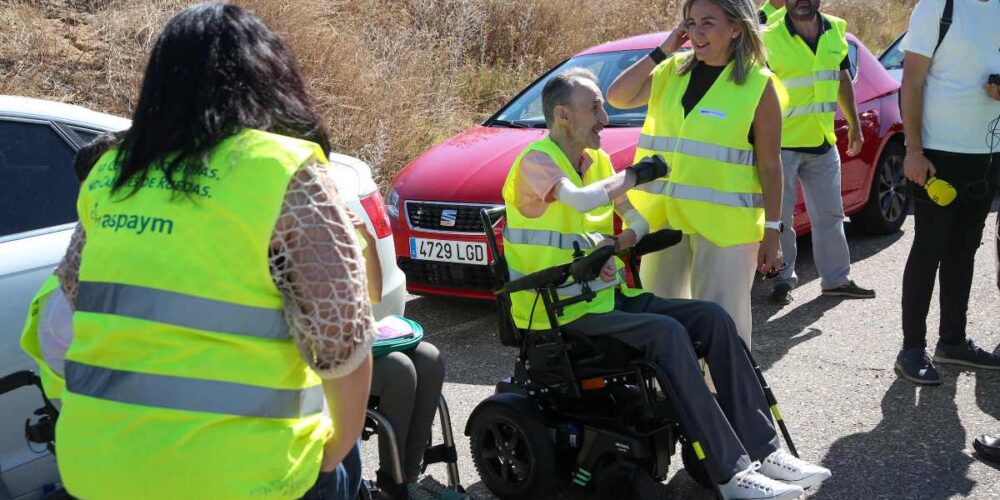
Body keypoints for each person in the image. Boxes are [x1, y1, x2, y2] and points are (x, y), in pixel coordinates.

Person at [52, 4, 374, 499]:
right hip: (244, 477)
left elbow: (78, 291)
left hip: (98, 467)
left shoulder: (113, 171)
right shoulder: (280, 169)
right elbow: (342, 337)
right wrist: (336, 449)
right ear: (267, 75)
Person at [504, 67, 830, 499]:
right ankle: (731, 476)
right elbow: (582, 200)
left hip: (603, 300)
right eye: (595, 107)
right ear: (563, 115)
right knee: (668, 333)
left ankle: (764, 448)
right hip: (556, 312)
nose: (605, 117)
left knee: (712, 318)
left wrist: (619, 242)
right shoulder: (537, 161)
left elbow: (634, 218)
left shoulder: (597, 161)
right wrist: (638, 175)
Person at [607, 0, 785, 347]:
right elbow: (617, 96)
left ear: (736, 28)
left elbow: (770, 165)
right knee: (660, 321)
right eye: (690, 23)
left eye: (707, 23)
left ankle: (725, 396)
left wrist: (773, 231)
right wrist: (665, 47)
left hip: (726, 229)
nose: (696, 33)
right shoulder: (672, 70)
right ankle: (667, 395)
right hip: (665, 221)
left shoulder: (758, 85)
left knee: (722, 324)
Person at [894, 0, 1000, 385]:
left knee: (965, 249)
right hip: (937, 155)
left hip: (988, 154)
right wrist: (914, 150)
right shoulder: (938, 6)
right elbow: (912, 80)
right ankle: (911, 349)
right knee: (929, 248)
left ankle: (952, 341)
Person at [760, 0, 875, 305]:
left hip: (822, 142)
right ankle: (782, 280)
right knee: (780, 218)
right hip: (780, 144)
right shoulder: (767, 35)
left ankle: (836, 280)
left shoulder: (835, 29)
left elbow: (840, 79)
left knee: (830, 215)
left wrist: (854, 123)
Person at [350, 210, 458, 500]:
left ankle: (412, 476)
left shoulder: (336, 233)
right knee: (399, 370)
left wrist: (369, 242)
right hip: (325, 353)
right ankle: (393, 483)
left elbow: (373, 294)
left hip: (358, 339)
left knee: (429, 358)